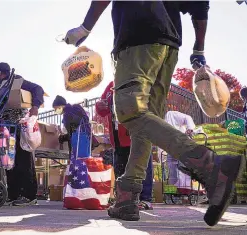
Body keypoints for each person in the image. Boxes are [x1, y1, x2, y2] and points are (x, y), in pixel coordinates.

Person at [64, 1, 245, 226]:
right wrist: (199, 48)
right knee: (148, 121)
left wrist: (85, 28)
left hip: (137, 35)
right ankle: (127, 197)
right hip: (168, 46)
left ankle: (209, 165)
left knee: (130, 112)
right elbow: (200, 4)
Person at [0, 62, 44, 206]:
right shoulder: (2, 86)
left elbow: (37, 89)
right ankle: (14, 194)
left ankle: (29, 195)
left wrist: (35, 106)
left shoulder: (16, 81)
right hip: (7, 129)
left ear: (1, 73)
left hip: (19, 126)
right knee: (9, 162)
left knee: (23, 159)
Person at [95, 81, 153, 210]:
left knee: (142, 165)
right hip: (117, 135)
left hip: (136, 132)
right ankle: (123, 198)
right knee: (120, 167)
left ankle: (145, 198)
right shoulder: (110, 85)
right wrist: (100, 105)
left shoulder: (138, 81)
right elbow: (102, 110)